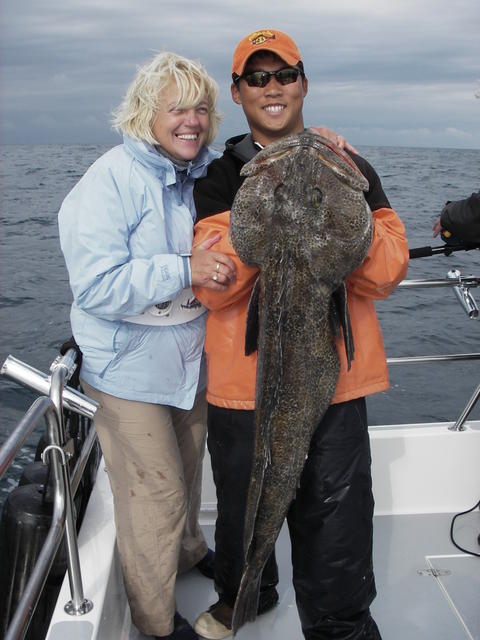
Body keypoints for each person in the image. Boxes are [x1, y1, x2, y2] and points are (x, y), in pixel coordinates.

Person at [191, 29, 410, 640]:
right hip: (245, 393)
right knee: (243, 516)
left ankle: (340, 624)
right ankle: (245, 597)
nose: (273, 88)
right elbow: (212, 284)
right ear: (237, 94)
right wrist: (266, 206)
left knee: (336, 530)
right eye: (256, 78)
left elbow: (390, 269)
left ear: (303, 83)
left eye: (284, 74)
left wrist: (335, 227)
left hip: (334, 387)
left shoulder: (349, 164)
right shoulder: (222, 177)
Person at [58, 52, 236, 640]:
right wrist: (184, 268)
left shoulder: (208, 171)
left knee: (187, 473)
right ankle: (157, 625)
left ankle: (187, 553)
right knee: (155, 493)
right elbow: (96, 285)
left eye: (201, 109)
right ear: (145, 115)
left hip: (190, 359)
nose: (192, 121)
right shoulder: (109, 180)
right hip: (125, 370)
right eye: (176, 109)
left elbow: (262, 171)